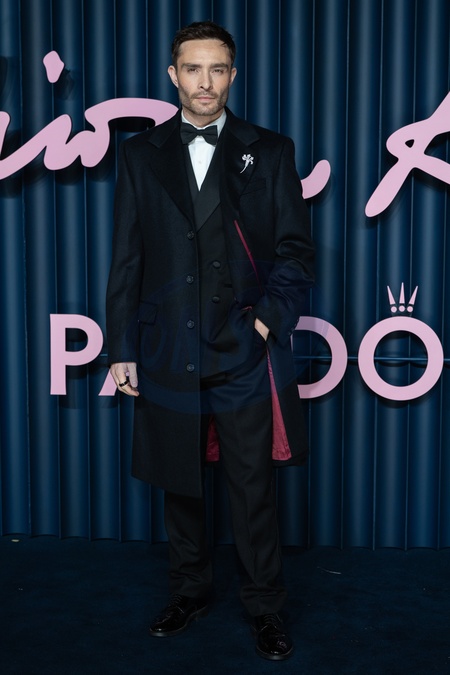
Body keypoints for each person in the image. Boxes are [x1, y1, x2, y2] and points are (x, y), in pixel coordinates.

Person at [106, 20, 314, 661]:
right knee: (182, 482)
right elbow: (128, 257)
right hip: (168, 347)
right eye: (193, 69)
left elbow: (296, 253)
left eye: (217, 69)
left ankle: (265, 606)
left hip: (243, 350)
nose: (205, 82)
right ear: (174, 75)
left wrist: (265, 322)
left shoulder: (270, 151)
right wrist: (121, 347)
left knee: (253, 489)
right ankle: (189, 592)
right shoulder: (140, 155)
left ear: (232, 75)